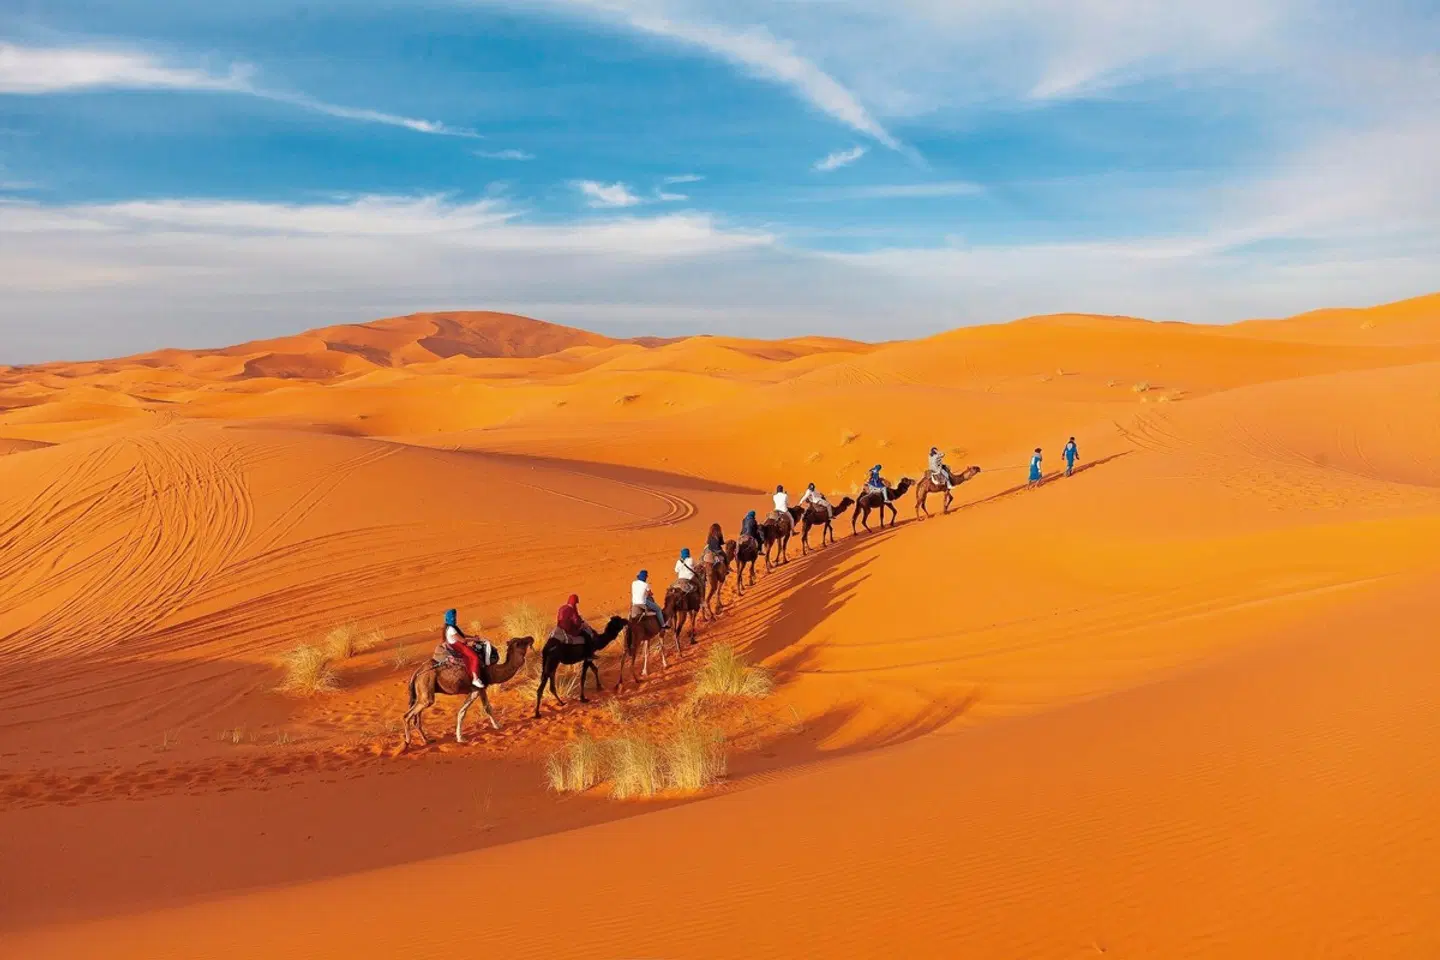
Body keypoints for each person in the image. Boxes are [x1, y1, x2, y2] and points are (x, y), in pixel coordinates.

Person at [443, 608, 489, 690]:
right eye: (453, 618)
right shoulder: (451, 629)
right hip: (459, 647)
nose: (455, 619)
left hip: (459, 645)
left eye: (455, 617)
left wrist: (472, 637)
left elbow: (462, 635)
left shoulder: (451, 627)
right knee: (474, 657)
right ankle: (475, 679)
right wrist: (474, 640)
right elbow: (463, 640)